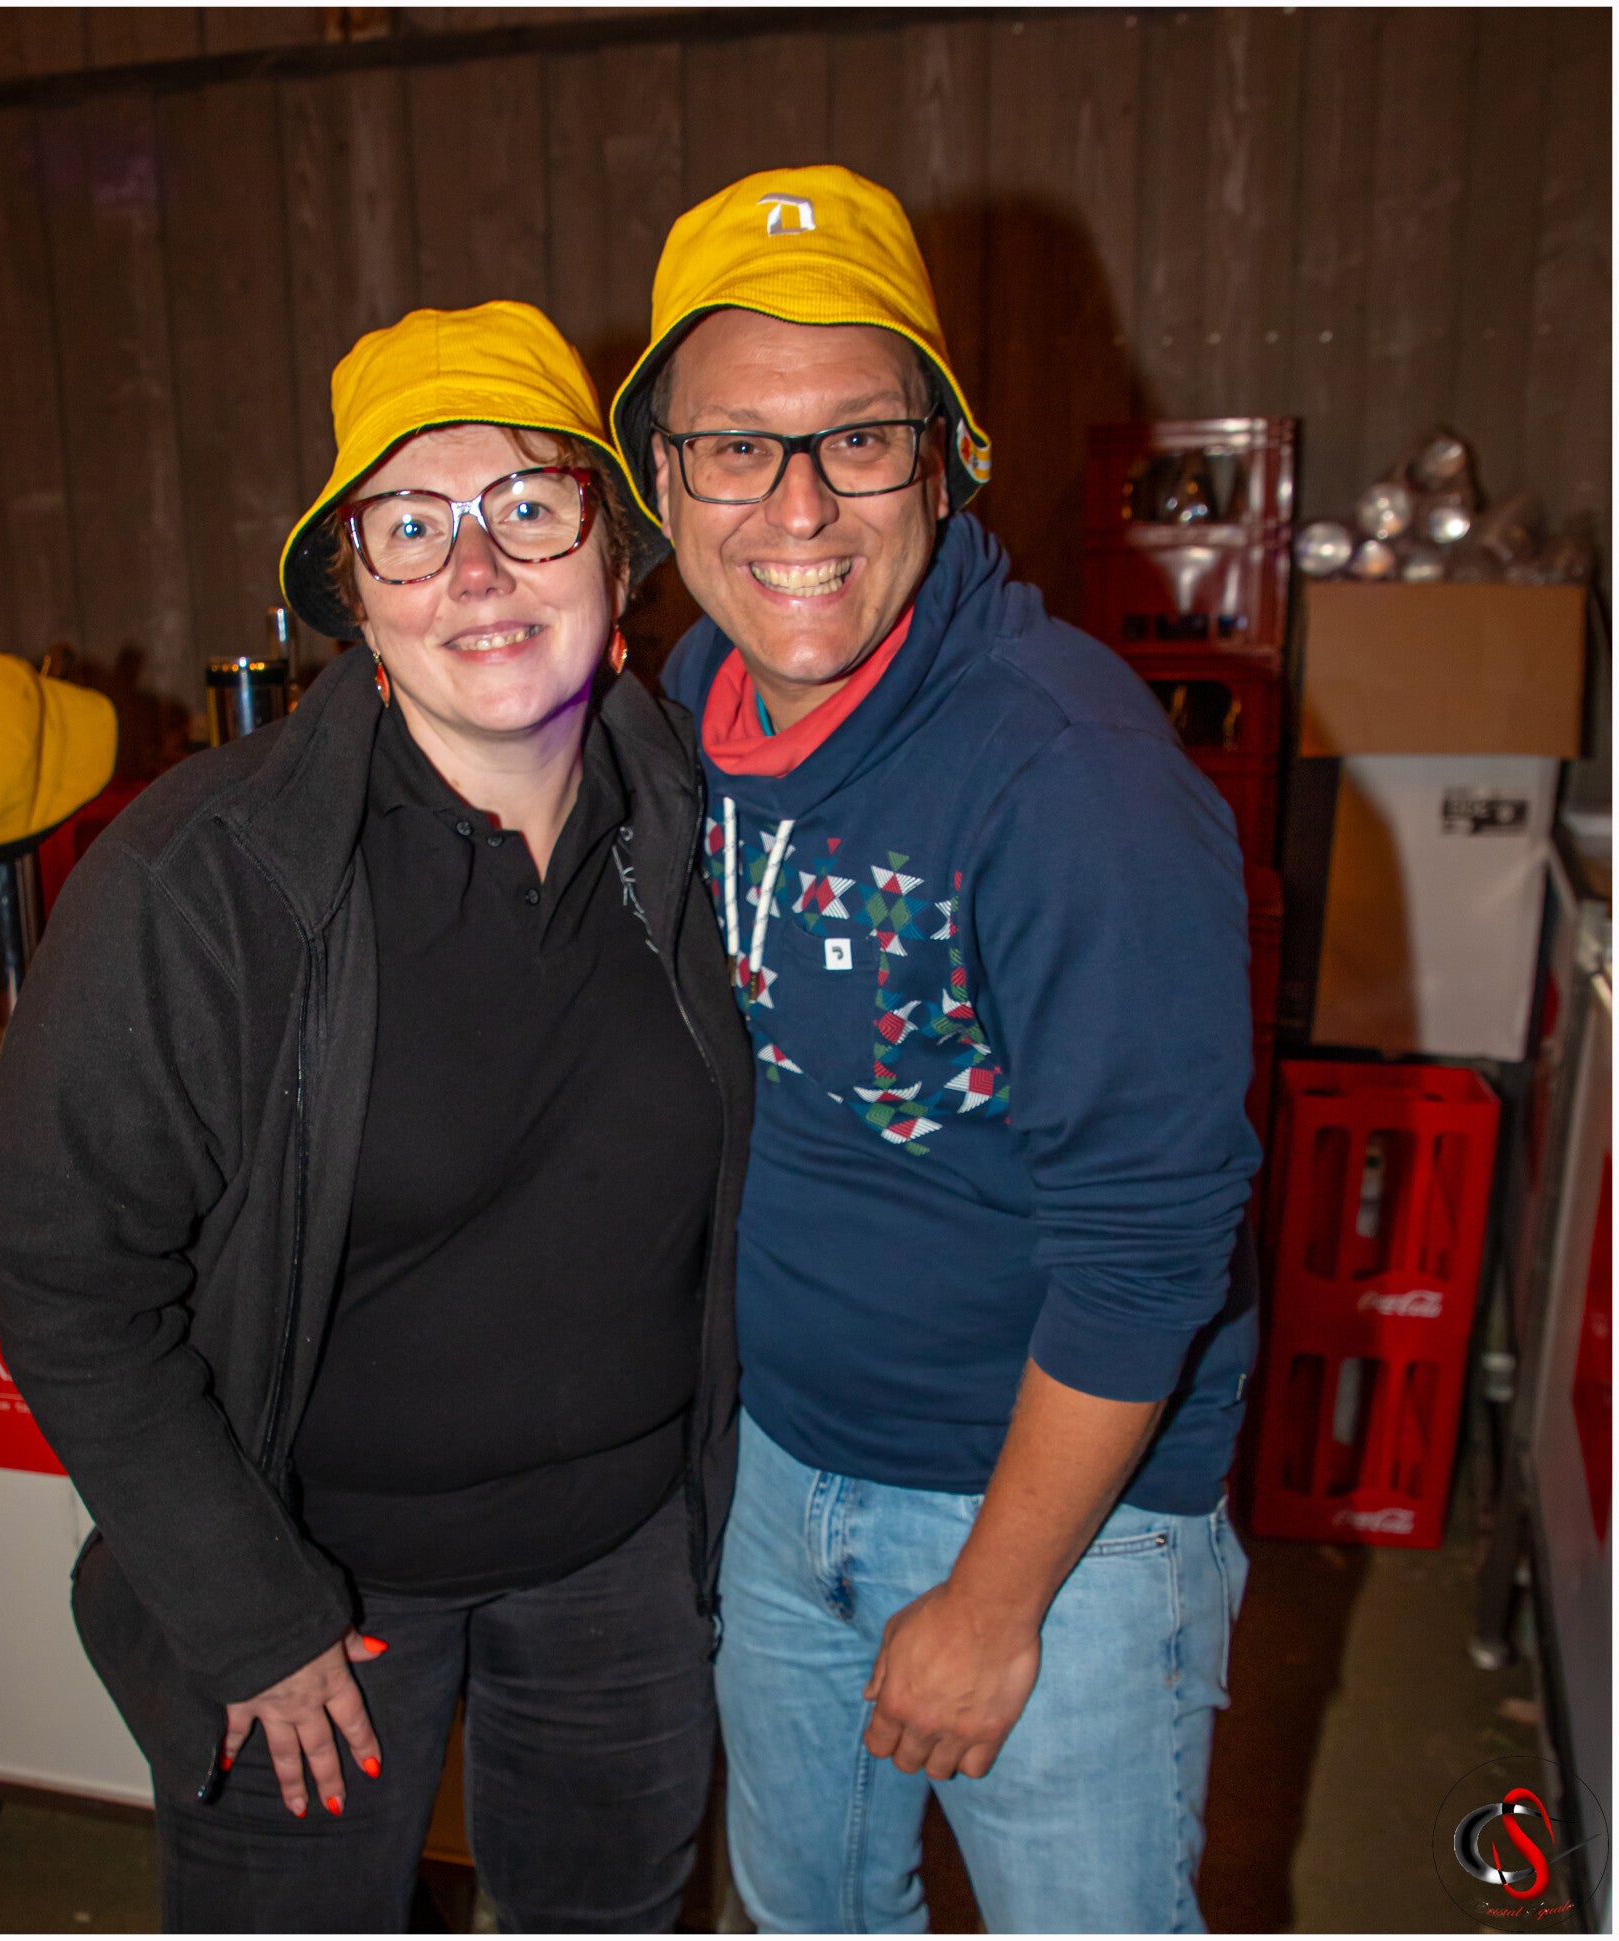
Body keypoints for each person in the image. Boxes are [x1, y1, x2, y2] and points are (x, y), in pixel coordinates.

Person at [0, 300, 754, 1933]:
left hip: (620, 1566)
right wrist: (244, 1607)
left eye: (529, 505)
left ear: (617, 554)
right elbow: (58, 1262)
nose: (478, 569)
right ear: (358, 598)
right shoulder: (208, 879)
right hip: (317, 1576)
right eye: (411, 525)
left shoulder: (700, 814)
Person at [609, 165, 1259, 1934]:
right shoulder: (684, 721)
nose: (797, 504)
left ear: (948, 459)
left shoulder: (1069, 779)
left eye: (859, 439)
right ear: (663, 478)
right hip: (783, 1471)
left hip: (1053, 1525)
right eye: (736, 447)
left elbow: (1151, 1246)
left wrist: (992, 1600)